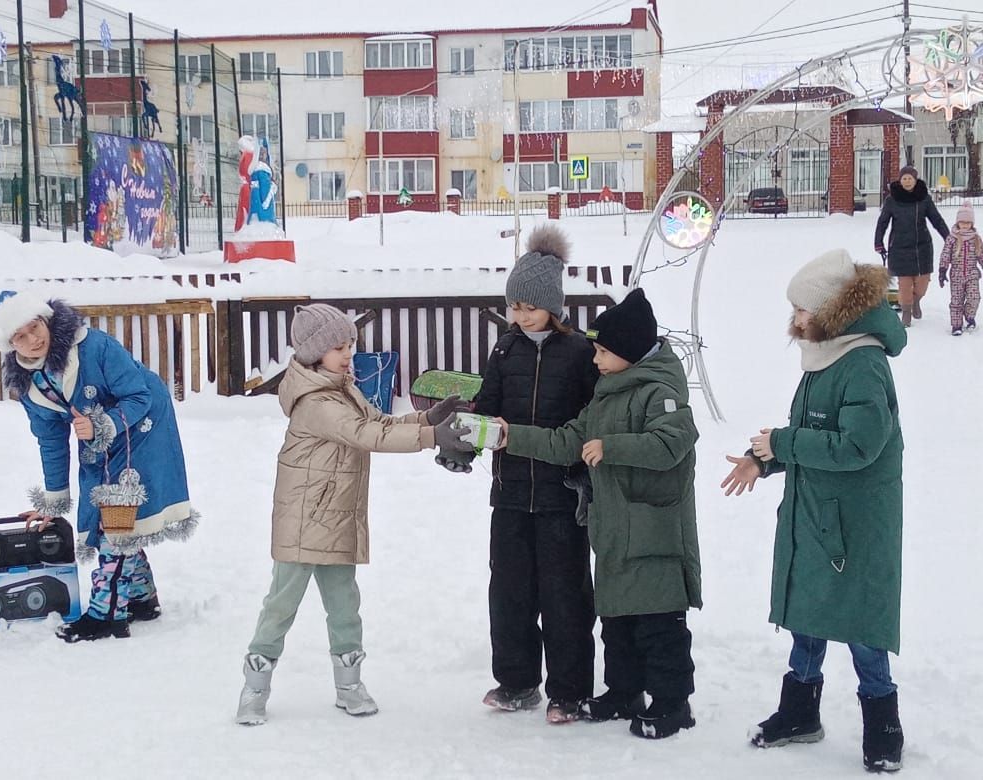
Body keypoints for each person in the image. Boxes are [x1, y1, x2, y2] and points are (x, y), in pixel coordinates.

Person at [235, 303, 472, 725]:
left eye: (350, 345)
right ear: (313, 353)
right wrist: (432, 437)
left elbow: (377, 419)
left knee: (345, 604)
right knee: (281, 605)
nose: (347, 354)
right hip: (304, 521)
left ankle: (349, 685)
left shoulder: (341, 388)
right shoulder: (315, 401)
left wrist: (426, 417)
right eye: (338, 347)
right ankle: (254, 689)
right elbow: (365, 434)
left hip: (336, 516)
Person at [721, 249, 907, 773]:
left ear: (832, 312)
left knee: (861, 627)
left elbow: (856, 447)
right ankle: (800, 714)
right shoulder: (824, 359)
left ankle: (884, 726)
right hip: (817, 516)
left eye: (803, 310)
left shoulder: (863, 364)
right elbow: (814, 441)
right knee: (808, 617)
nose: (795, 320)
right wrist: (765, 460)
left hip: (854, 525)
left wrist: (781, 442)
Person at [496, 289, 702, 740]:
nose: (595, 360)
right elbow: (567, 439)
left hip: (653, 530)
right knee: (618, 620)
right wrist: (511, 436)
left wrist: (613, 448)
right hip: (614, 528)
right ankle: (623, 691)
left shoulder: (661, 391)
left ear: (628, 352)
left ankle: (673, 703)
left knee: (658, 623)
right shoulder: (608, 394)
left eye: (603, 351)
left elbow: (673, 444)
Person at [0, 291, 198, 642]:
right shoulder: (30, 386)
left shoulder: (95, 347)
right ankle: (141, 597)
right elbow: (51, 440)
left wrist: (104, 424)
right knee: (104, 510)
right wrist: (53, 502)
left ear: (45, 320)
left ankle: (107, 613)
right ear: (9, 344)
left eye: (35, 327)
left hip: (143, 424)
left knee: (118, 513)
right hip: (97, 432)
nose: (33, 340)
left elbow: (139, 394)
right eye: (20, 336)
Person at [461, 225, 599, 723]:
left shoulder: (581, 353)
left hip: (563, 498)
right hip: (512, 492)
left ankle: (570, 689)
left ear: (552, 306)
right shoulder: (505, 350)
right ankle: (517, 681)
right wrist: (465, 442)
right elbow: (489, 407)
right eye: (513, 306)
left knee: (564, 595)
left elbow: (589, 419)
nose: (519, 316)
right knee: (510, 591)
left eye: (528, 307)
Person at [874, 165, 949, 327]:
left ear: (915, 180)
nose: (907, 181)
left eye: (910, 178)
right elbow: (883, 223)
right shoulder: (892, 200)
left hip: (922, 247)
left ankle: (916, 300)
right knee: (905, 285)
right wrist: (878, 242)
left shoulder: (924, 198)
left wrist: (948, 237)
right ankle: (906, 312)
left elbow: (937, 220)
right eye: (904, 178)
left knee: (922, 283)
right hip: (900, 247)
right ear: (900, 181)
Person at [938, 201, 982, 336]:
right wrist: (942, 270)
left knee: (974, 297)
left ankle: (969, 315)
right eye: (962, 222)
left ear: (972, 224)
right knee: (956, 300)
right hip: (956, 275)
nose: (965, 225)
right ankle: (956, 325)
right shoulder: (952, 239)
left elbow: (981, 255)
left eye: (968, 223)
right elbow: (945, 254)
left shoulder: (976, 239)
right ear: (958, 222)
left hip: (972, 274)